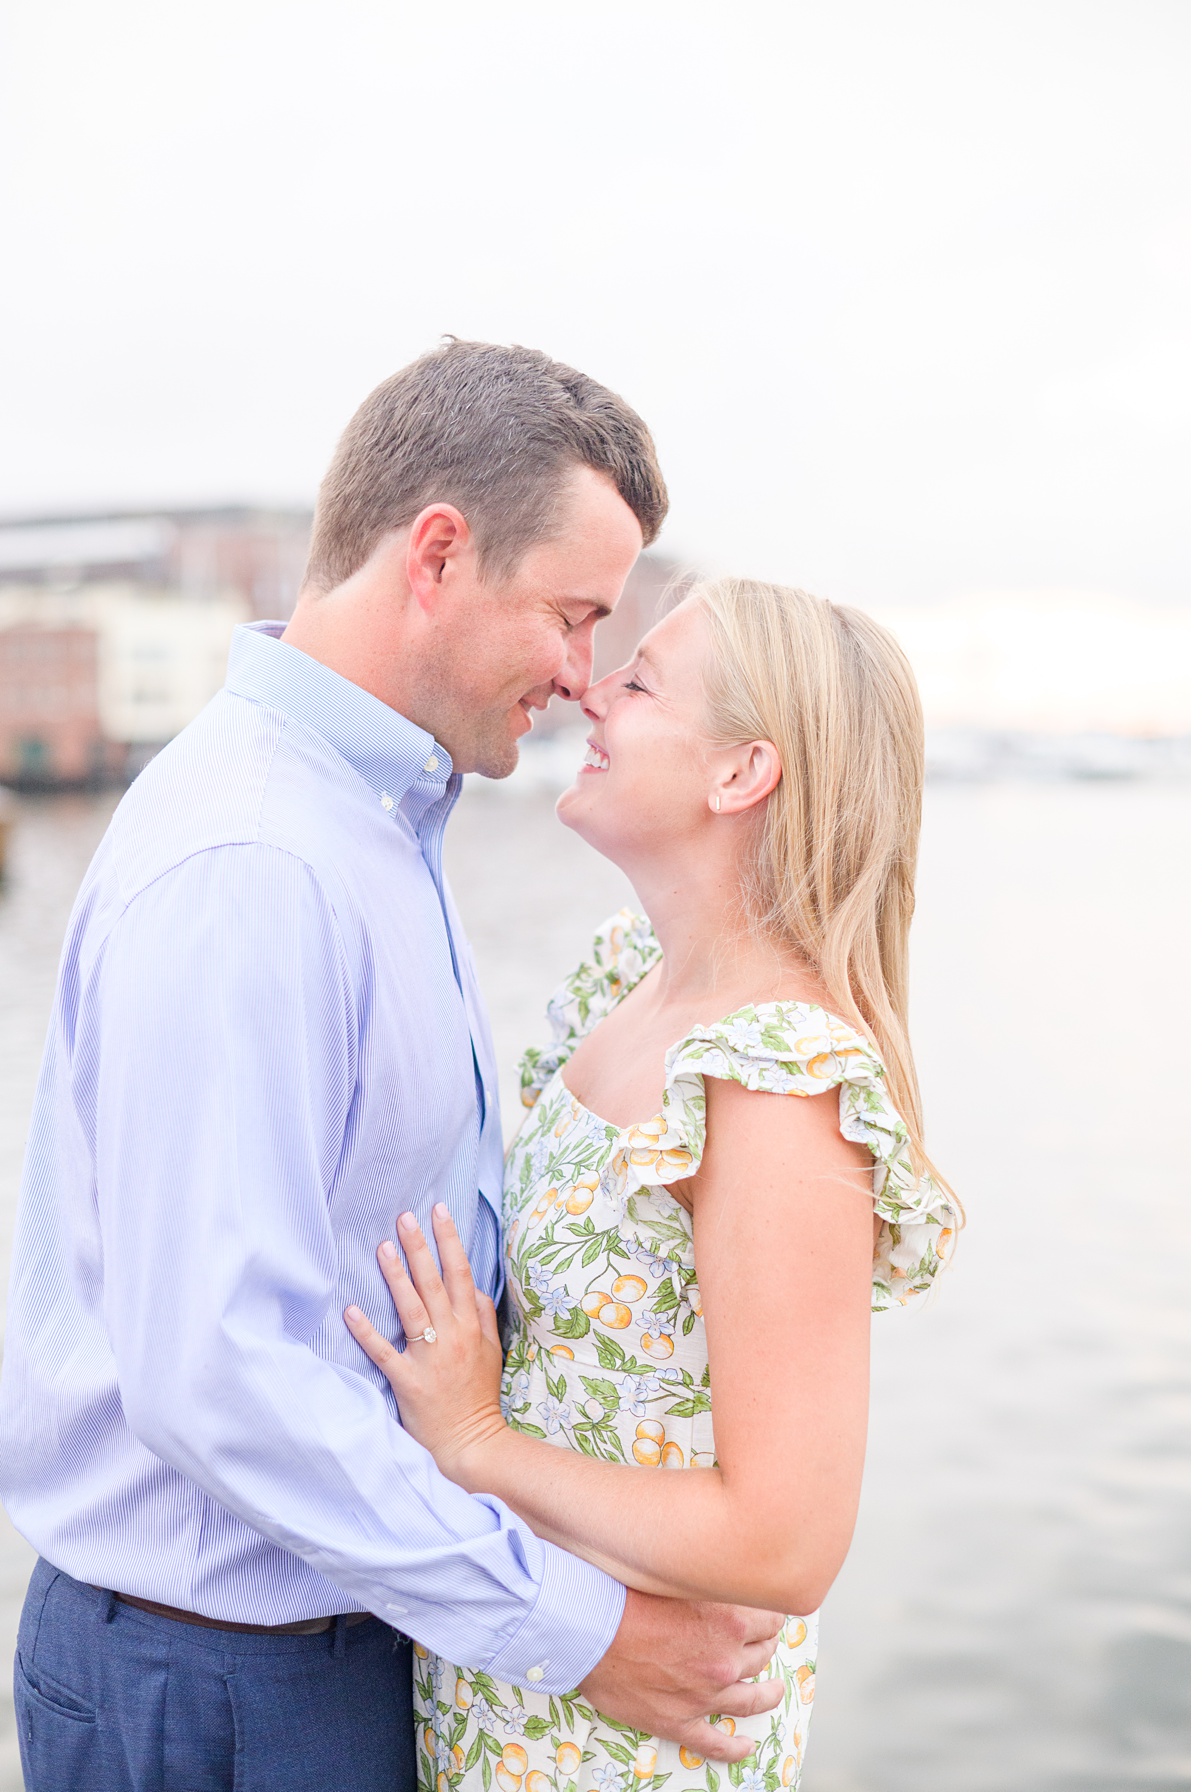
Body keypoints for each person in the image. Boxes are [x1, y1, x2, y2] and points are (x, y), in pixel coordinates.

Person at [0, 342, 785, 1788]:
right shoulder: (256, 860)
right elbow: (218, 1372)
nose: (578, 672)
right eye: (570, 614)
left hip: (320, 1648)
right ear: (437, 553)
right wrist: (578, 1627)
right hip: (220, 1681)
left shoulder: (367, 823)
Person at [350, 575, 961, 1785]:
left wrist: (477, 1441)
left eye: (638, 682)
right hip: (518, 1703)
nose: (591, 690)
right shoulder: (630, 986)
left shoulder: (776, 1084)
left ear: (741, 774)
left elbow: (785, 1538)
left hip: (633, 1748)